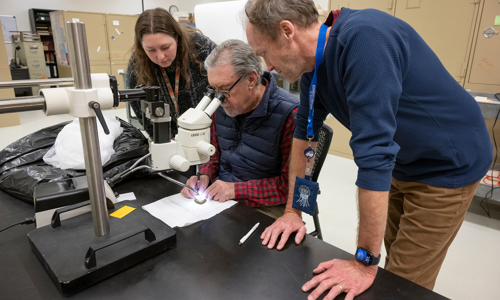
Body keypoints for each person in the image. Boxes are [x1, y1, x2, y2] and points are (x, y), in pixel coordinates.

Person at [245, 0, 492, 299]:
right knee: (390, 253)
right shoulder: (314, 67)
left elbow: (374, 157)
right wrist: (292, 211)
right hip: (405, 160)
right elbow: (305, 136)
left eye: (264, 53)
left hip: (448, 164)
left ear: (287, 31)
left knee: (402, 284)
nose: (267, 67)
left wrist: (363, 262)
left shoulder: (366, 39)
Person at [180, 39, 298, 218]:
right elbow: (214, 155)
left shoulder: (291, 114)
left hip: (266, 204)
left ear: (251, 79)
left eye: (225, 89)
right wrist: (204, 176)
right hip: (222, 196)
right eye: (214, 89)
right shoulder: (220, 105)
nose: (219, 99)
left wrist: (235, 190)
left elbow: (290, 186)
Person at [126, 8, 216, 138]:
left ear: (177, 38)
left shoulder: (201, 47)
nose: (161, 56)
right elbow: (138, 107)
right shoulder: (138, 62)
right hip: (170, 136)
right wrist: (162, 138)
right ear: (141, 46)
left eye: (166, 47)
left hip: (209, 131)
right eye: (151, 50)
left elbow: (223, 89)